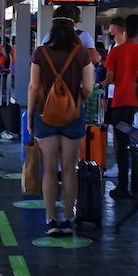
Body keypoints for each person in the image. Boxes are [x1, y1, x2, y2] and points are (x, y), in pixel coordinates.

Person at [27, 15, 95, 236]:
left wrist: (29, 117)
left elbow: (33, 87)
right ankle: (67, 218)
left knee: (49, 168)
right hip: (73, 115)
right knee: (68, 169)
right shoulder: (82, 53)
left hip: (45, 114)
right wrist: (77, 101)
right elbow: (88, 88)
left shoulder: (40, 53)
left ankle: (50, 220)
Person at [103, 14, 138, 199]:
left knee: (122, 146)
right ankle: (136, 186)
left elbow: (110, 79)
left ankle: (122, 187)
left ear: (125, 30)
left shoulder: (116, 52)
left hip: (120, 104)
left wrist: (103, 84)